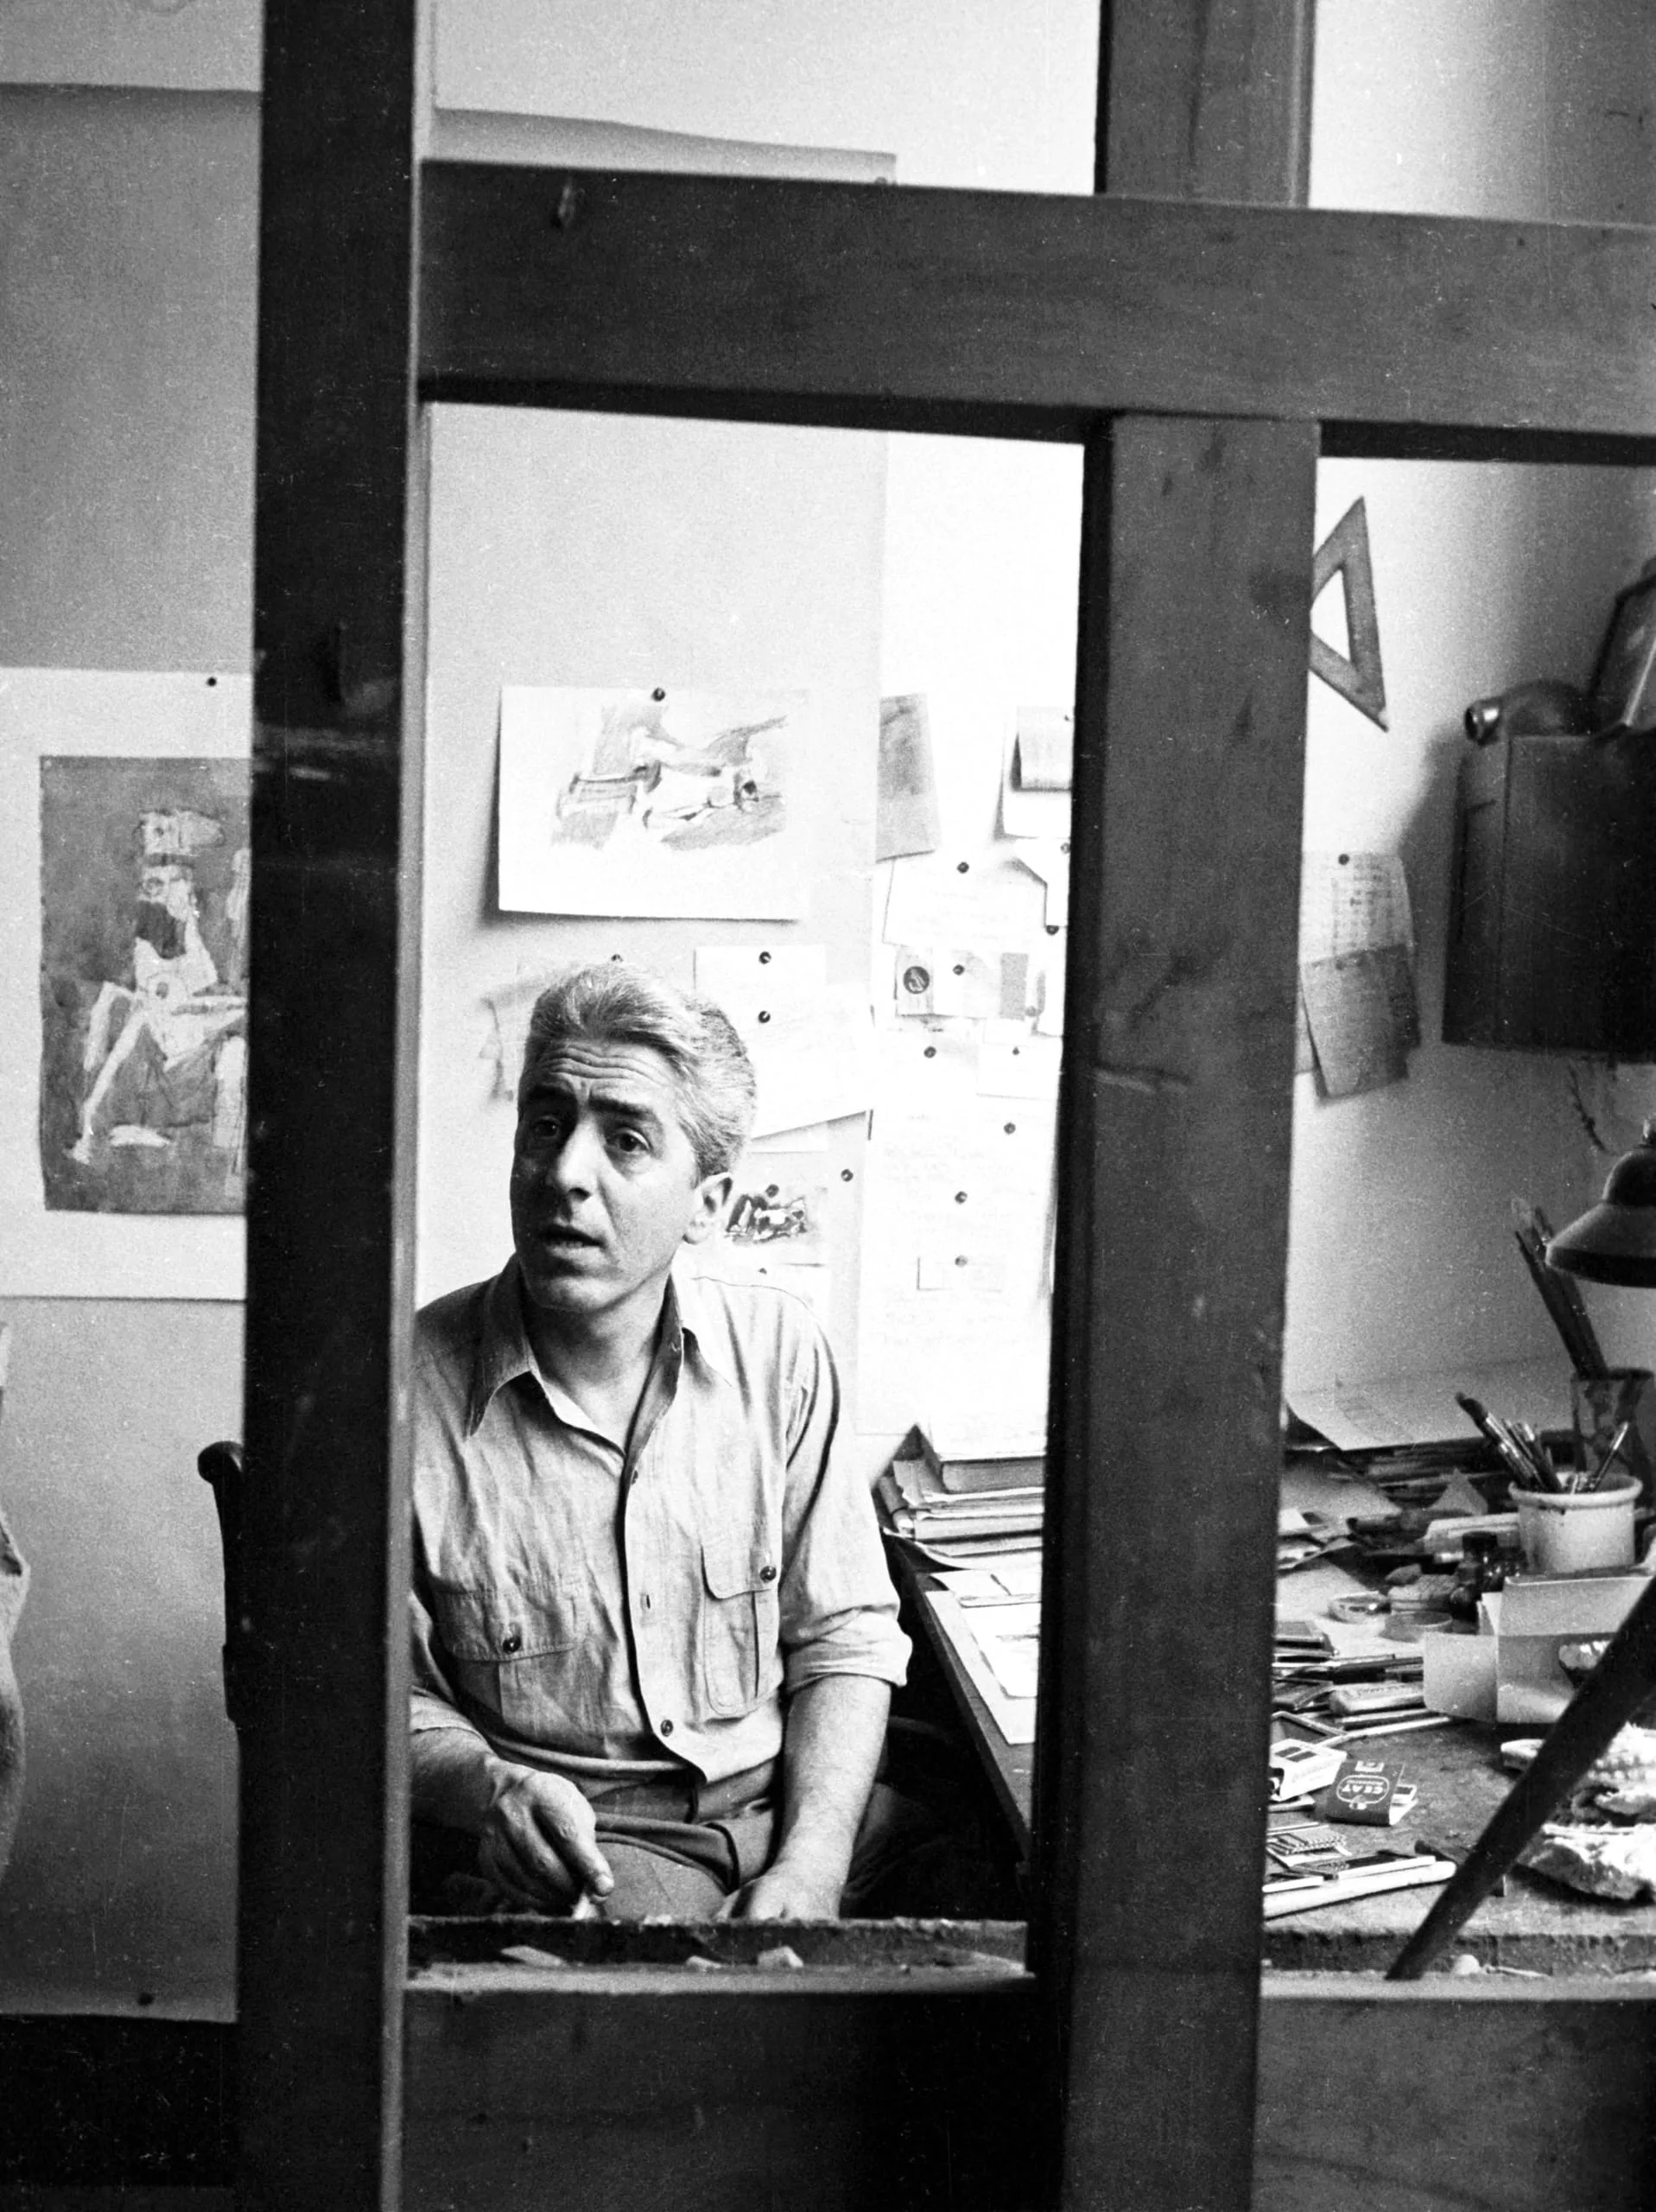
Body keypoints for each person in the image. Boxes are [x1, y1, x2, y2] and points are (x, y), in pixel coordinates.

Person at [409, 960, 914, 1919]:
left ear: (708, 1206)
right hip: (599, 1846)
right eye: (546, 1124)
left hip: (792, 1805)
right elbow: (372, 1696)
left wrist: (811, 1864)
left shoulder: (781, 1356)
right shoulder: (407, 1395)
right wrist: (493, 1787)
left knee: (1024, 1900)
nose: (565, 1173)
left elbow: (842, 1636)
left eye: (625, 1140)